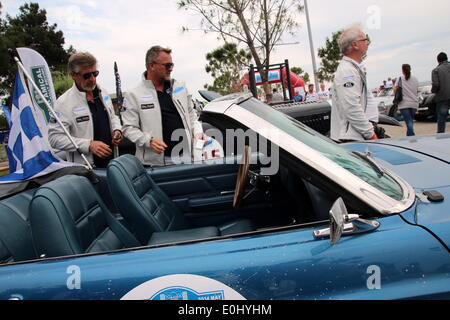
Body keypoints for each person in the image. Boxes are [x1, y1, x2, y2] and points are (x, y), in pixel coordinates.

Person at [121, 45, 206, 166]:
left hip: (188, 157)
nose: (171, 69)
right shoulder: (134, 94)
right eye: (167, 65)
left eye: (172, 65)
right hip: (158, 162)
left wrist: (198, 132)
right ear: (152, 65)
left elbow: (191, 114)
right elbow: (128, 128)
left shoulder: (179, 86)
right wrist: (148, 141)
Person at [48, 52, 123, 167]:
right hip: (86, 169)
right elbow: (55, 138)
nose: (92, 79)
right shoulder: (63, 103)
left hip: (113, 164)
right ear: (73, 75)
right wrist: (88, 145)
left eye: (95, 73)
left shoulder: (103, 92)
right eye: (87, 75)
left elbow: (112, 117)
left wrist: (117, 130)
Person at [330, 24, 377, 142]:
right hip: (351, 138)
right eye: (365, 39)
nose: (368, 42)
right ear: (354, 45)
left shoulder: (352, 68)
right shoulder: (347, 71)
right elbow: (352, 107)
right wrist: (370, 134)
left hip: (355, 136)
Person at [393, 64, 419, 136]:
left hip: (404, 104)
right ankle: (409, 138)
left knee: (408, 122)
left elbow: (395, 90)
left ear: (402, 70)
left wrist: (394, 87)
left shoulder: (400, 78)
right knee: (410, 122)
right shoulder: (415, 78)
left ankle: (412, 137)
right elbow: (417, 90)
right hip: (414, 103)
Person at [431, 52, 450, 133]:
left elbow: (436, 84)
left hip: (443, 97)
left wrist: (433, 91)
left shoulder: (436, 70)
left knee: (442, 118)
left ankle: (441, 136)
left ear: (438, 60)